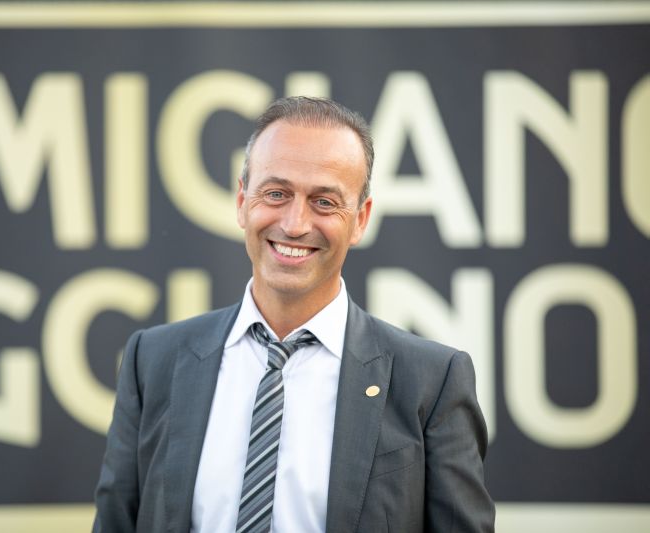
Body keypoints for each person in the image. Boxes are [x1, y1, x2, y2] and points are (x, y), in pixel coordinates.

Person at [93, 96, 495, 532]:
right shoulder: (153, 361)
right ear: (242, 200)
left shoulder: (431, 382)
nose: (295, 223)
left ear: (360, 219)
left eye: (324, 202)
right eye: (276, 194)